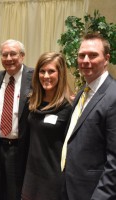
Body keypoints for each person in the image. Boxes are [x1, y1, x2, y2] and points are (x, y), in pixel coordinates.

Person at [61, 33, 116, 200]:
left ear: (106, 59)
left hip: (94, 193)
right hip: (71, 187)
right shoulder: (82, 92)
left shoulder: (113, 96)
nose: (85, 60)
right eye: (81, 55)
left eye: (93, 55)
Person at [21, 52, 72, 200]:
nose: (46, 76)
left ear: (60, 74)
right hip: (31, 175)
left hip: (53, 178)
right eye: (42, 71)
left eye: (51, 71)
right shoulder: (31, 102)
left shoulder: (68, 108)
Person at [0, 39, 33, 200]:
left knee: (15, 193)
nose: (8, 58)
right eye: (4, 54)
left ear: (22, 56)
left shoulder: (34, 77)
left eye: (13, 54)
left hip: (20, 148)